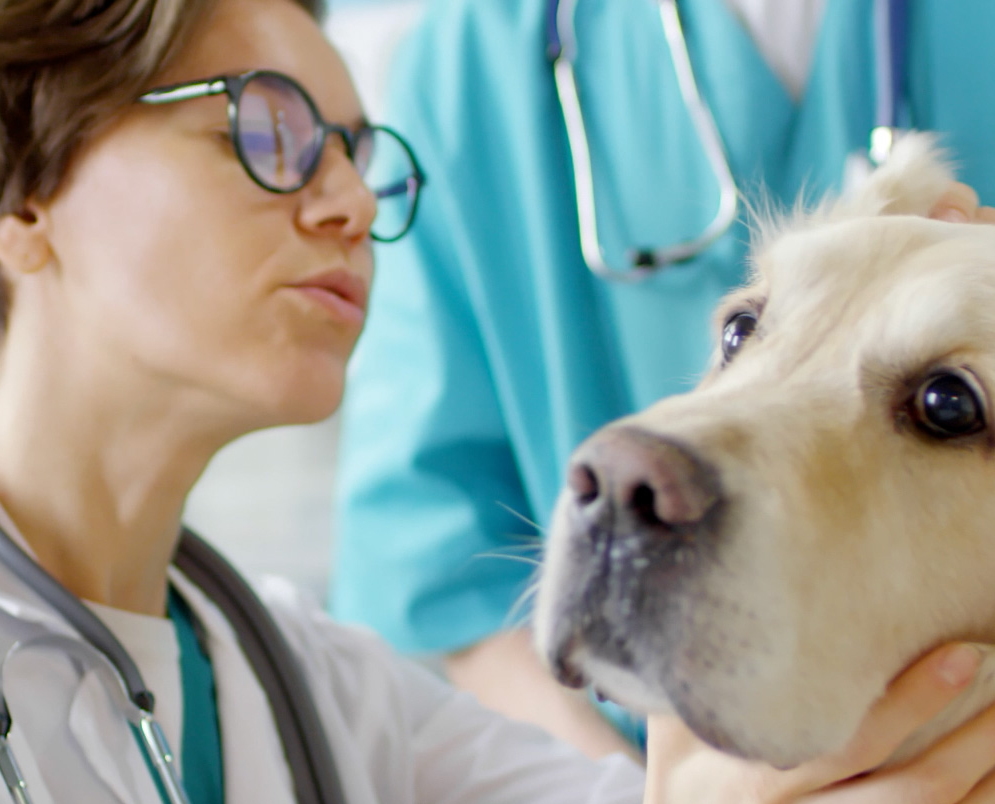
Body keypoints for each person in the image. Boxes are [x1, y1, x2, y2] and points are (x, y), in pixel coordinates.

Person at [0, 1, 995, 804]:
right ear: (22, 200)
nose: (348, 200)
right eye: (265, 132)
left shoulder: (321, 693)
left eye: (354, 151)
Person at [330, 0, 995, 759]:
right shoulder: (470, 59)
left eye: (947, 408)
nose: (637, 474)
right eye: (742, 331)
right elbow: (443, 574)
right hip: (601, 788)